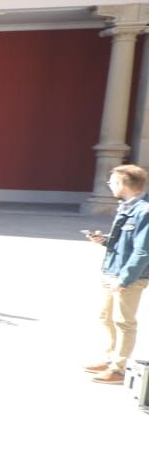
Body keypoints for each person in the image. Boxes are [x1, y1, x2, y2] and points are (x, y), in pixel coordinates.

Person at [86, 164, 149, 384]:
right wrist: (104, 240)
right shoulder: (127, 206)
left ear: (123, 183)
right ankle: (110, 358)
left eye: (112, 182)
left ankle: (118, 369)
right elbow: (125, 242)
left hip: (128, 277)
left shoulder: (145, 211)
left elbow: (143, 251)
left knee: (124, 322)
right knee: (107, 317)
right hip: (113, 270)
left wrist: (126, 279)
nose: (110, 186)